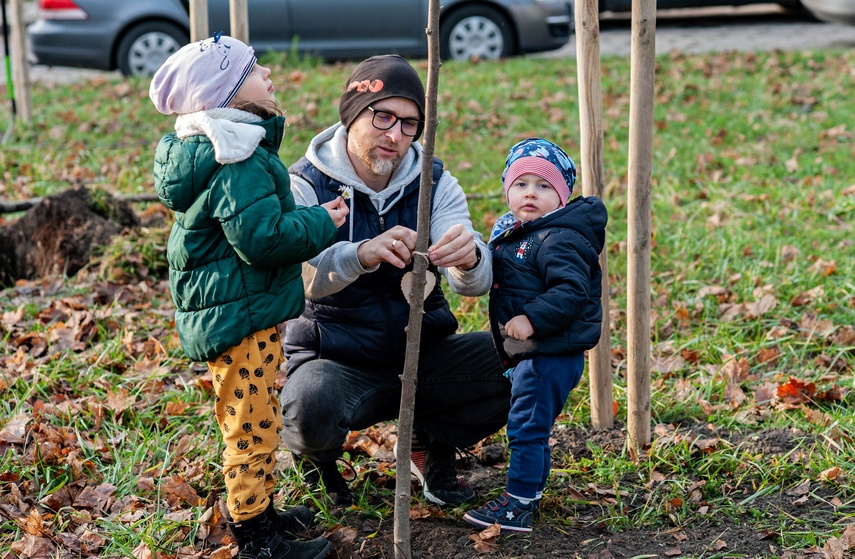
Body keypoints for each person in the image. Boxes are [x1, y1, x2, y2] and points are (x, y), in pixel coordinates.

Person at [278, 54, 511, 508]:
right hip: (337, 360)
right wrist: (360, 254)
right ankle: (320, 462)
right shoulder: (304, 184)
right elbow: (298, 277)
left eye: (409, 124)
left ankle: (432, 443)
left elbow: (472, 283)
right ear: (351, 115)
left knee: (519, 362)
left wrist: (469, 259)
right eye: (383, 117)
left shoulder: (434, 182)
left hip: (424, 353)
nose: (395, 135)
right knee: (310, 403)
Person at [149, 33, 349, 559]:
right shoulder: (237, 157)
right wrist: (320, 221)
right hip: (238, 314)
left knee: (254, 415)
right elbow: (261, 240)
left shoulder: (219, 147)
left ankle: (259, 511)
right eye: (255, 69)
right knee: (251, 426)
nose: (270, 75)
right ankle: (257, 540)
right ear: (230, 92)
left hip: (237, 308)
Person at [462, 138, 607, 533]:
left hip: (549, 354)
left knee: (526, 426)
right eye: (521, 184)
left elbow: (572, 291)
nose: (531, 193)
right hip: (537, 353)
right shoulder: (523, 232)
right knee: (532, 425)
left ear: (561, 197)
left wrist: (532, 319)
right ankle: (530, 493)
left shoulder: (557, 237)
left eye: (544, 186)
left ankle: (518, 506)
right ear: (507, 188)